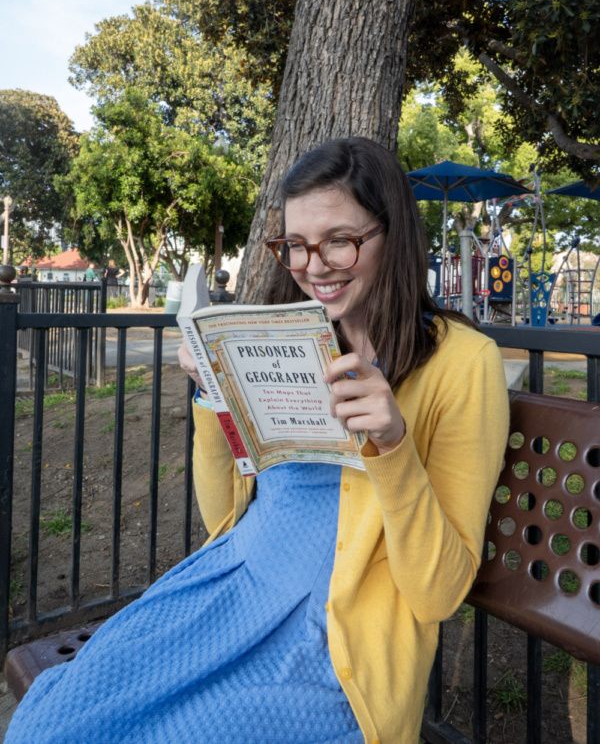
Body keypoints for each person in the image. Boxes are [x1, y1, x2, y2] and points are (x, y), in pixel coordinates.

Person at [6, 137, 509, 743]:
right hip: (232, 586)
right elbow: (224, 516)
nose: (314, 266)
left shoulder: (462, 362)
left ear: (393, 234)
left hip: (330, 644)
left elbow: (438, 594)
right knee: (53, 722)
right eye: (296, 245)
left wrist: (394, 447)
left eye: (339, 241)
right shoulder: (287, 331)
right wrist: (211, 401)